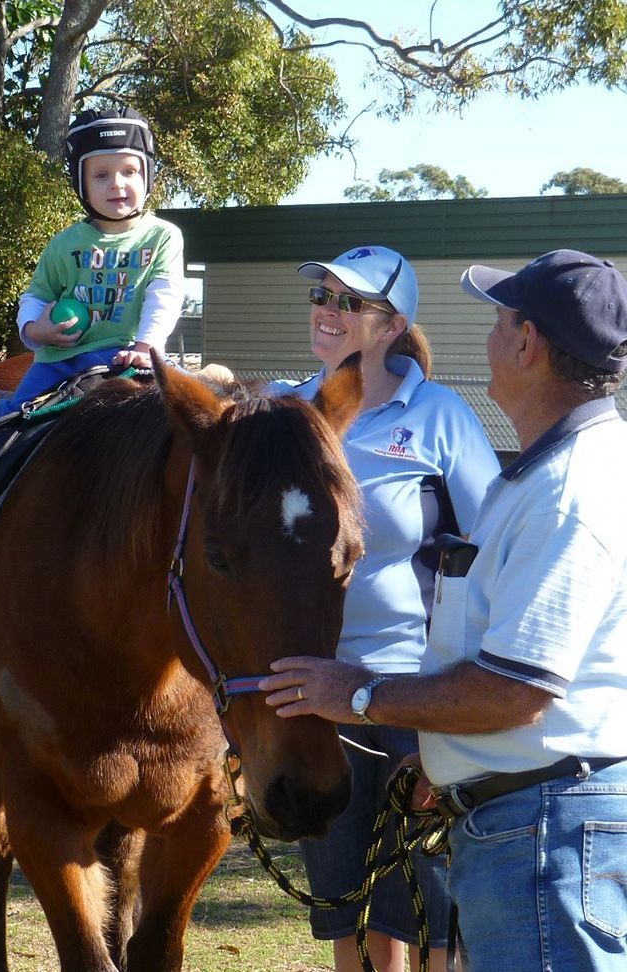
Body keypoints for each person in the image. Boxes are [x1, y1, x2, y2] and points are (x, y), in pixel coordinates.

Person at [258, 249, 627, 971]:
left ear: (527, 343)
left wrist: (356, 693)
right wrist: (448, 758)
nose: (485, 337)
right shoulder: (549, 471)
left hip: (549, 826)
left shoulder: (569, 491)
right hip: (530, 814)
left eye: (499, 318)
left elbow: (519, 689)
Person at [266, 244, 498, 972]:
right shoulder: (291, 410)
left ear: (394, 325)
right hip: (314, 691)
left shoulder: (438, 414)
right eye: (322, 297)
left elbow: (494, 545)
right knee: (348, 911)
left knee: (430, 913)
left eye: (348, 302)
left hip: (415, 690)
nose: (328, 312)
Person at [0, 104, 185, 422]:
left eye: (130, 171)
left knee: (192, 417)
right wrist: (38, 331)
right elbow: (36, 296)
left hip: (128, 355)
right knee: (10, 421)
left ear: (148, 174)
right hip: (58, 361)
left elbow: (165, 294)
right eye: (101, 175)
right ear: (82, 184)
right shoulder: (63, 244)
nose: (117, 183)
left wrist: (146, 347)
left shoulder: (163, 236)